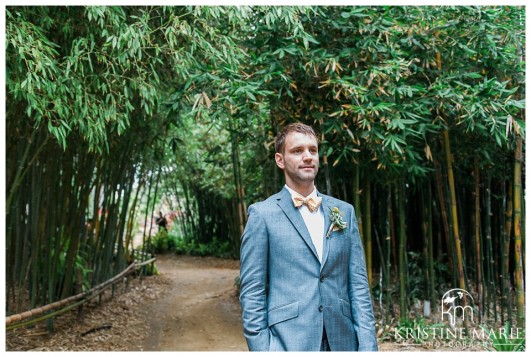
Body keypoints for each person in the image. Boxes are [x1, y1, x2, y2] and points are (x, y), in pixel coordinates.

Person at [239, 123, 378, 351]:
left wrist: (368, 347)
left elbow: (359, 285)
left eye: (312, 150)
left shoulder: (344, 212)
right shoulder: (262, 215)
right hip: (288, 343)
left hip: (343, 341)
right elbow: (252, 292)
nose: (307, 157)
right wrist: (264, 350)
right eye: (297, 151)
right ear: (280, 160)